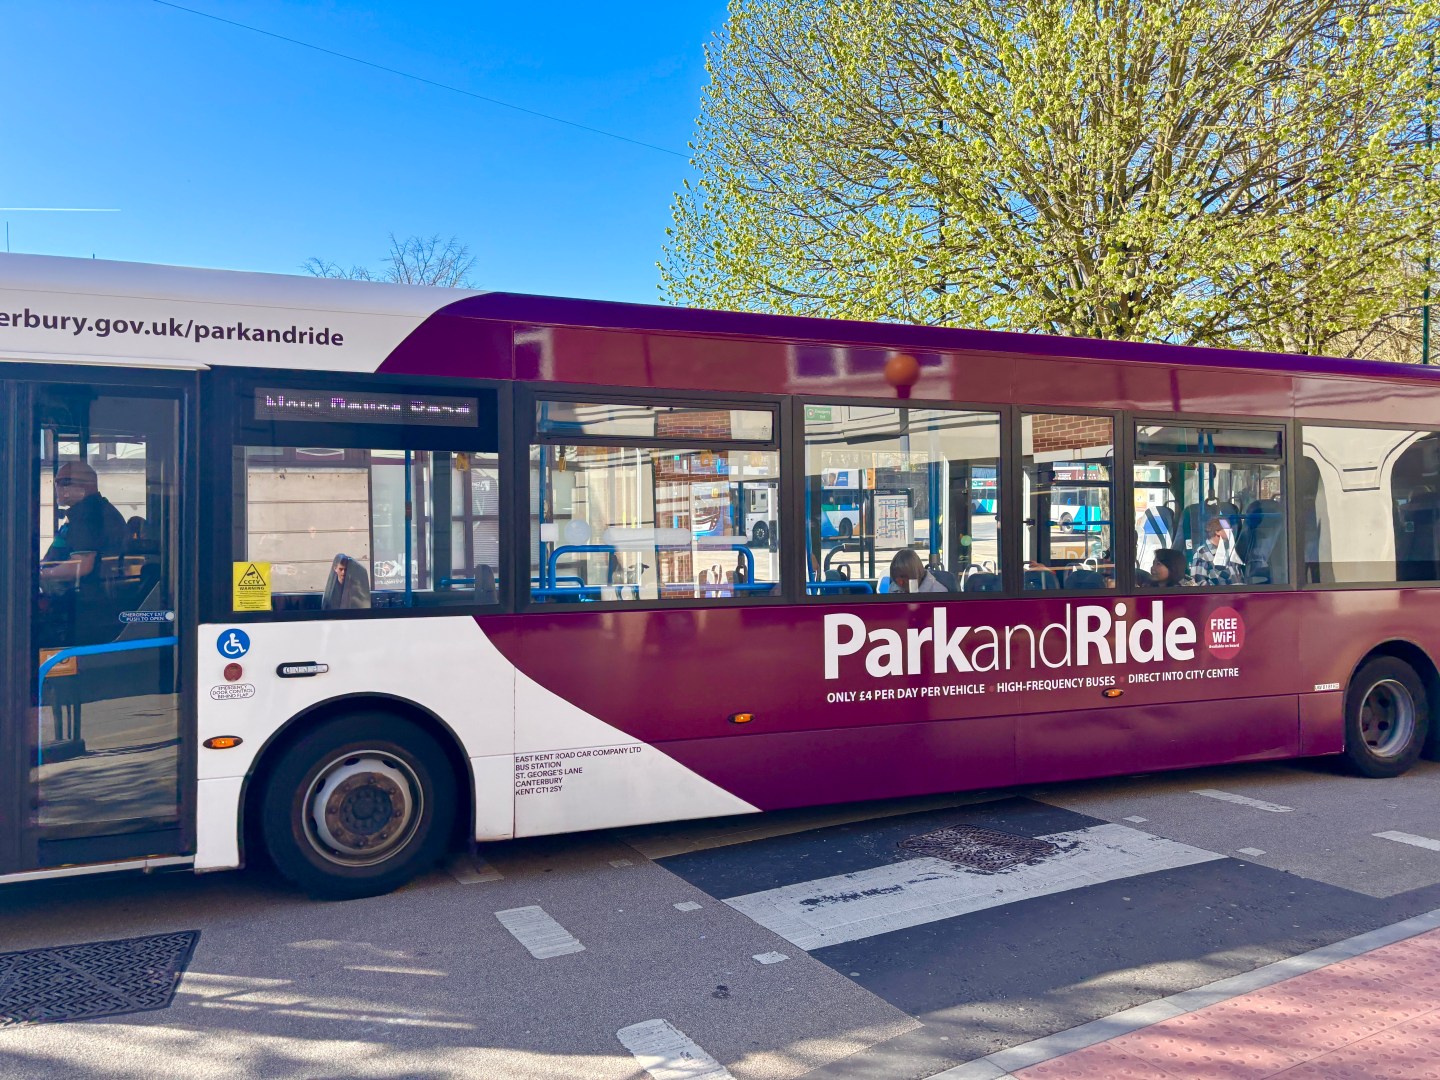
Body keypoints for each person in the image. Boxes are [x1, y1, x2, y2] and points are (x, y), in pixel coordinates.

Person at [41, 461, 126, 584]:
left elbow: (82, 565)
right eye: (57, 482)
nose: (58, 488)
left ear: (86, 485)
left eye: (64, 482)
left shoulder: (90, 515)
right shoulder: (86, 511)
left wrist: (42, 575)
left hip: (84, 597)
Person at [1190, 516, 1243, 586]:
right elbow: (1199, 582)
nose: (1231, 530)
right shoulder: (1202, 553)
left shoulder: (1230, 550)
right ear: (1217, 532)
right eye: (1227, 528)